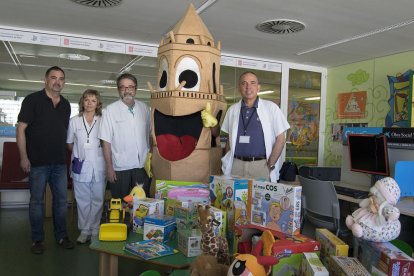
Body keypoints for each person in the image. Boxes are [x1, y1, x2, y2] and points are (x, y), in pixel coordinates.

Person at [16, 66, 73, 254]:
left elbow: (63, 133)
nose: (58, 82)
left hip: (59, 162)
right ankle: (37, 240)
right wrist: (24, 157)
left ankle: (62, 236)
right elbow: (21, 129)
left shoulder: (65, 105)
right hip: (37, 162)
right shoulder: (32, 100)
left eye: (61, 79)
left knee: (61, 201)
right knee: (37, 202)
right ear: (46, 80)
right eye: (54, 78)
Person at [221, 71, 290, 182]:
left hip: (261, 166)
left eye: (252, 83)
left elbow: (281, 140)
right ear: (239, 88)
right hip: (236, 165)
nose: (248, 87)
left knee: (259, 199)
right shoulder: (232, 110)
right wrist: (228, 161)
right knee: (235, 198)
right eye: (244, 83)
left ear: (258, 87)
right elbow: (229, 140)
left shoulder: (271, 108)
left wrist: (270, 164)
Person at [99, 73, 151, 200]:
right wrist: (109, 167)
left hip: (142, 168)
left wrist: (152, 161)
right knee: (121, 205)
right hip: (120, 168)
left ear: (136, 89)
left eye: (130, 87)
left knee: (142, 205)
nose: (127, 91)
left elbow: (150, 135)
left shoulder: (144, 108)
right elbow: (106, 141)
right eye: (123, 87)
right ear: (118, 90)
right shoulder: (110, 111)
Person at [67, 89, 106, 244]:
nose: (89, 103)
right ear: (82, 102)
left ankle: (95, 229)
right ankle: (84, 230)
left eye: (93, 100)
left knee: (97, 199)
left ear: (98, 104)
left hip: (99, 166)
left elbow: (107, 143)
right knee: (83, 200)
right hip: (80, 166)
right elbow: (69, 144)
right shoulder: (74, 121)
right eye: (87, 100)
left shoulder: (103, 120)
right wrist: (81, 152)